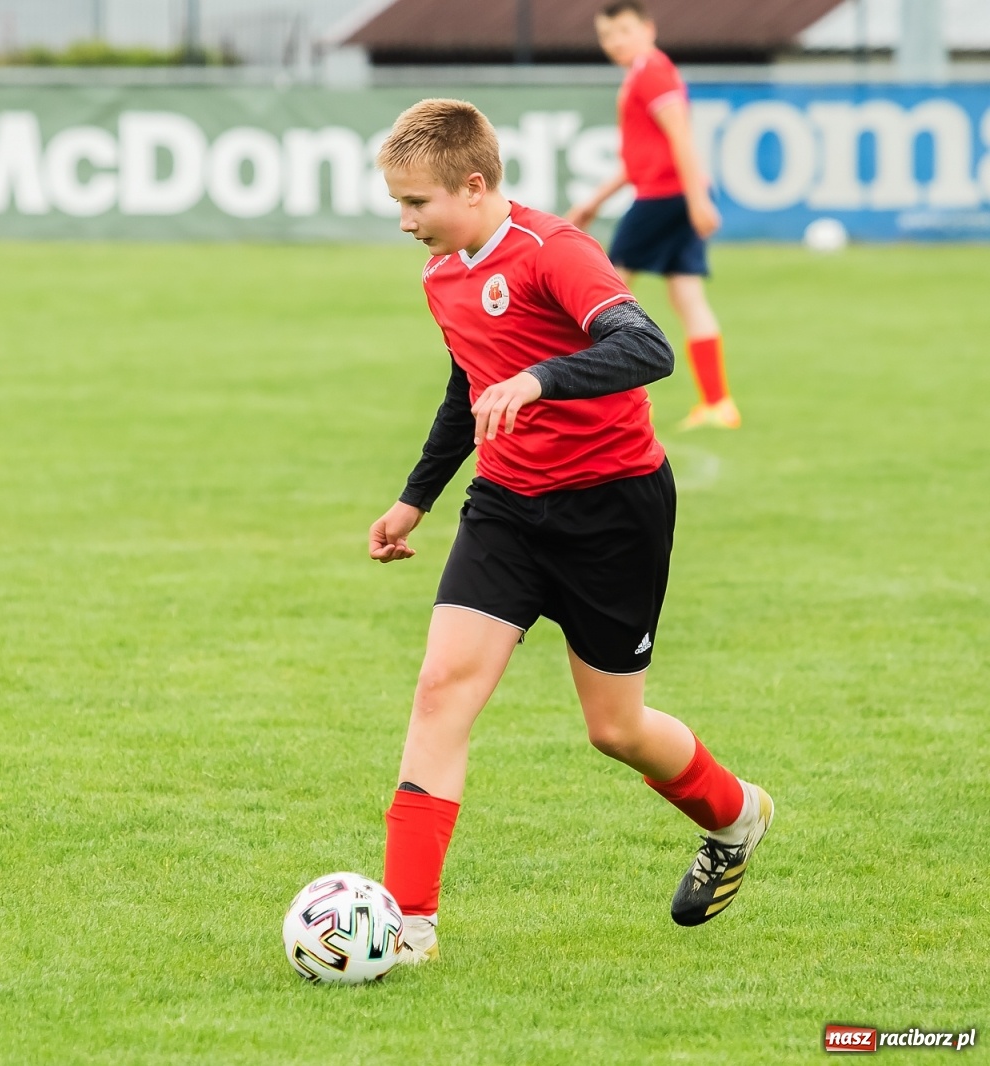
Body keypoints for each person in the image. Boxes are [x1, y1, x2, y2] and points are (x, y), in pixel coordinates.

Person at [367, 99, 773, 963]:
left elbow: (648, 347)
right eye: (398, 203)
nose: (405, 221)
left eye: (416, 203)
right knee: (440, 692)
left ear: (472, 185)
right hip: (507, 509)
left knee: (616, 730)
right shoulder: (442, 276)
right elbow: (468, 386)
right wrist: (416, 499)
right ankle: (409, 925)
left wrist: (541, 379)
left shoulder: (556, 252)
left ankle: (737, 816)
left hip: (612, 512)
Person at [565, 0, 738, 430]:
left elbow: (681, 135)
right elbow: (638, 160)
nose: (614, 41)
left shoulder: (651, 72)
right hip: (673, 195)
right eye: (606, 35)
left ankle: (615, 403)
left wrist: (697, 199)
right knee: (686, 294)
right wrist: (593, 202)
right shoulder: (644, 73)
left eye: (624, 30)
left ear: (648, 29)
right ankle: (718, 404)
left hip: (664, 197)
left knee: (605, 293)